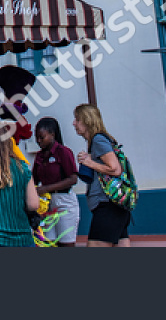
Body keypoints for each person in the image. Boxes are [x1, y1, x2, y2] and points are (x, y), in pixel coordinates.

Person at [74, 103, 131, 247]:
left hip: (107, 206)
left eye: (77, 119)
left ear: (87, 121)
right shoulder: (104, 139)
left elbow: (115, 169)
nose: (74, 123)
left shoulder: (98, 140)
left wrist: (89, 162)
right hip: (116, 206)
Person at [31, 117, 80, 247]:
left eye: (42, 137)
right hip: (47, 203)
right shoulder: (39, 156)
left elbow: (73, 179)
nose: (38, 141)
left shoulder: (63, 152)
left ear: (52, 135)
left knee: (66, 243)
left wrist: (46, 188)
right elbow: (34, 179)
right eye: (37, 138)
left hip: (64, 201)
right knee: (48, 243)